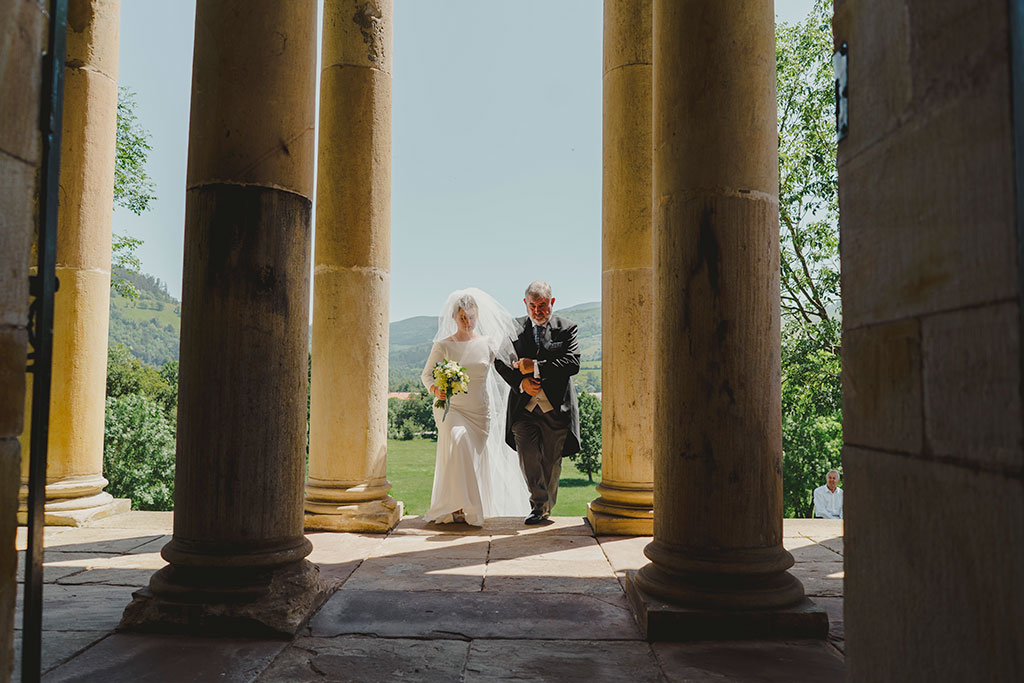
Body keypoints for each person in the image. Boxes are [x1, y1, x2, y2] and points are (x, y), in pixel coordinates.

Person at [420, 289, 530, 526]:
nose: (468, 322)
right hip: (451, 409)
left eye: (471, 317)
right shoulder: (443, 346)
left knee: (470, 457)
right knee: (459, 442)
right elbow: (426, 376)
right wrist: (435, 390)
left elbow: (507, 367)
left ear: (477, 316)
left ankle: (461, 506)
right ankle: (461, 508)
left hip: (480, 412)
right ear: (454, 317)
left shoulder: (488, 344)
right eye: (463, 318)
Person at [494, 281, 581, 525]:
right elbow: (500, 362)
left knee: (551, 463)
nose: (537, 311)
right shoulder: (514, 328)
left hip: (555, 409)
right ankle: (538, 507)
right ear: (525, 304)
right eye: (532, 305)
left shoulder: (567, 329)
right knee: (528, 457)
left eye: (542, 305)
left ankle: (545, 505)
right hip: (523, 409)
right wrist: (521, 383)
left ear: (552, 302)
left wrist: (536, 367)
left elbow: (572, 363)